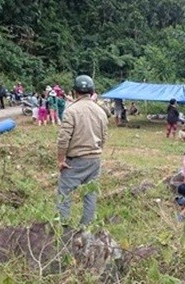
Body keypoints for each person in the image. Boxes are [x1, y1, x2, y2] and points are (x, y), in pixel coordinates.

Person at [56, 75, 108, 226]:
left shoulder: (71, 111)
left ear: (74, 92)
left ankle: (64, 229)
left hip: (75, 160)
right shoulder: (100, 112)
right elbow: (104, 137)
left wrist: (60, 160)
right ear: (92, 92)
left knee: (64, 194)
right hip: (94, 159)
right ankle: (86, 228)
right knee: (90, 195)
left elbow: (63, 139)